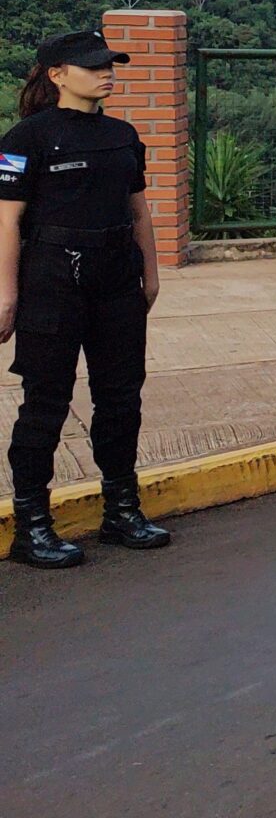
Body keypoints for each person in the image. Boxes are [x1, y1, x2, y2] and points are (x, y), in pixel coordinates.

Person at [2, 30, 170, 568]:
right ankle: (32, 527)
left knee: (121, 397)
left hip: (116, 276)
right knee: (46, 402)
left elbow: (138, 209)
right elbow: (8, 221)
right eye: (94, 66)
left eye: (110, 64)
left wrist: (151, 271)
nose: (107, 73)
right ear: (56, 75)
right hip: (52, 277)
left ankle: (122, 511)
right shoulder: (27, 138)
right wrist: (7, 294)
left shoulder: (122, 135)